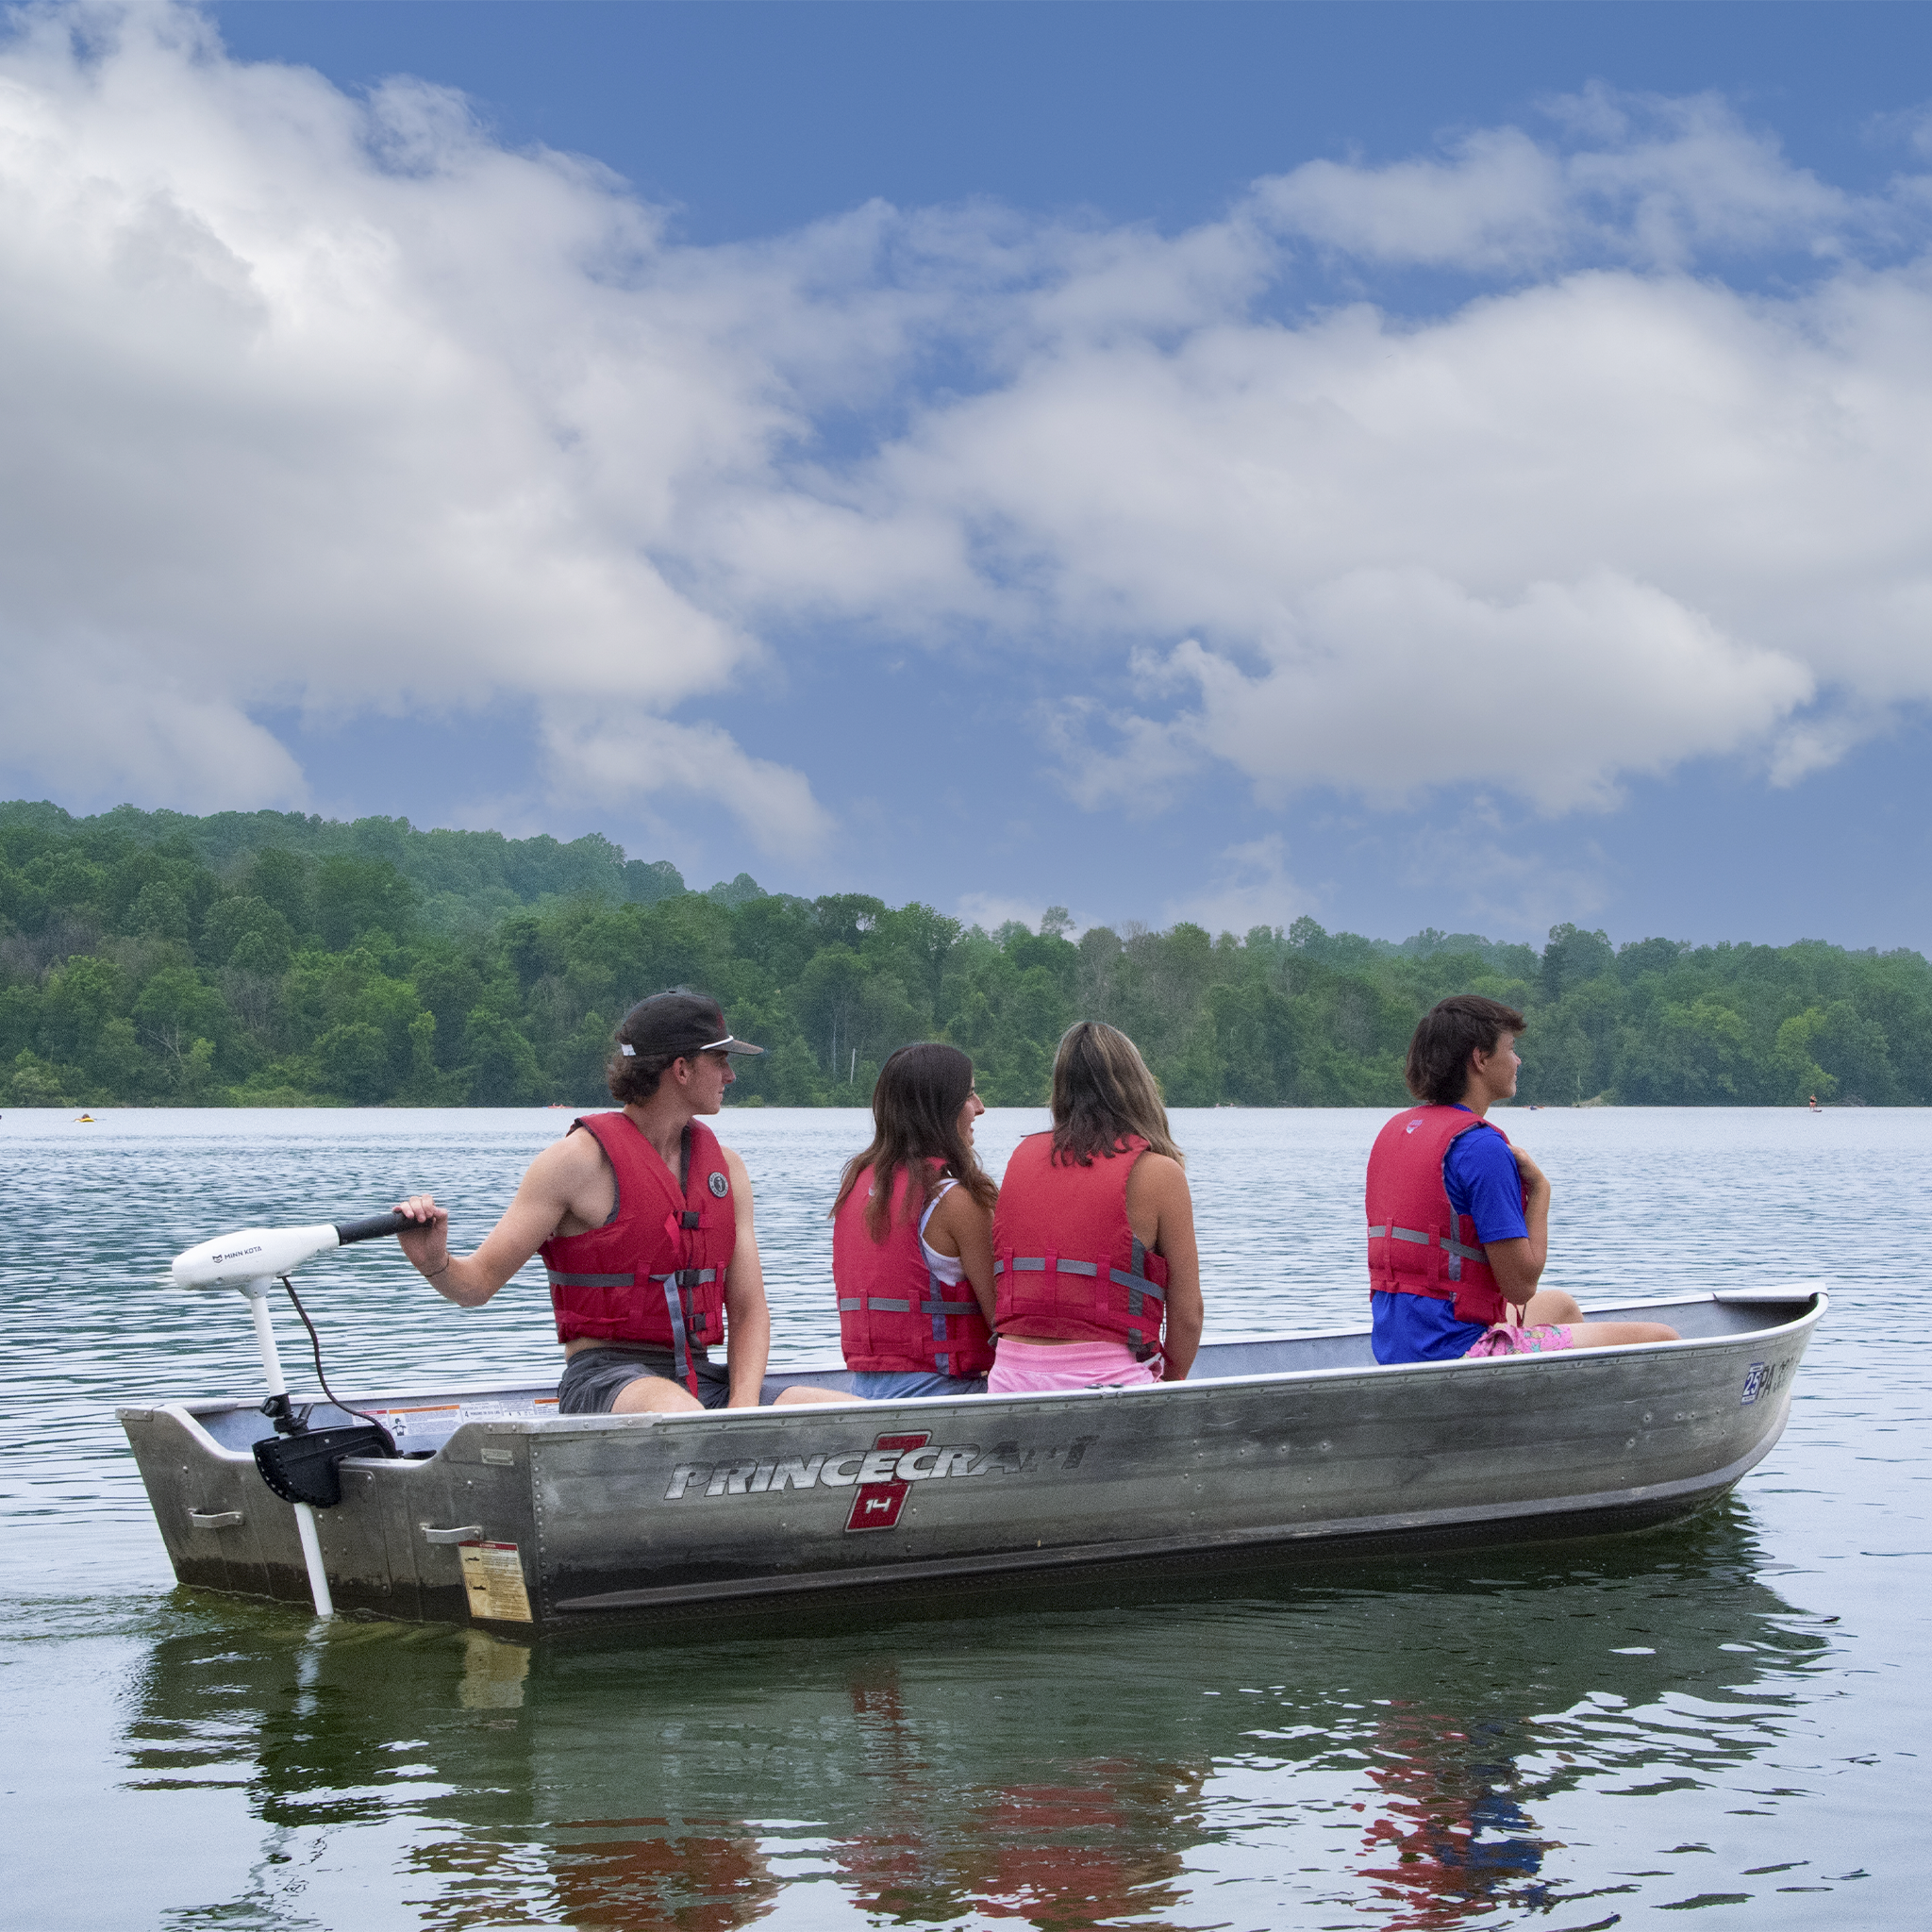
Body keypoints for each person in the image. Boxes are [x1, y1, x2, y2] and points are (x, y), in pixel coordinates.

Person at [392, 990, 839, 1412]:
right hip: (605, 1380)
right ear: (681, 1069)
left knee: (845, 1412)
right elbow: (477, 1286)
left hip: (704, 1380)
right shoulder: (573, 1164)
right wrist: (435, 1262)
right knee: (678, 1411)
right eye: (719, 1060)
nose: (730, 1075)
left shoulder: (728, 1170)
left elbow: (748, 1311)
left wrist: (742, 1412)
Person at [1367, 995, 1679, 1364]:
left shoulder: (1396, 1131)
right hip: (1458, 1351)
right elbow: (1520, 1287)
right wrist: (1542, 1192)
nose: (1518, 1061)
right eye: (1511, 1049)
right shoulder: (1480, 1147)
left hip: (1399, 1346)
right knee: (1663, 1338)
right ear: (1480, 1059)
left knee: (1561, 1306)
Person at [986, 1021, 1204, 1392]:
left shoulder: (1020, 1158)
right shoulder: (1160, 1174)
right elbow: (1188, 1317)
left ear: (1059, 1090)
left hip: (1010, 1380)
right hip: (1106, 1383)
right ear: (1138, 1086)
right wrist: (1169, 1384)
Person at [831, 1042, 999, 1399]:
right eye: (969, 1095)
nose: (980, 1107)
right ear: (941, 1109)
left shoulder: (855, 1187)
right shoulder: (955, 1202)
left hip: (863, 1391)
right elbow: (1005, 1321)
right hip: (943, 1392)